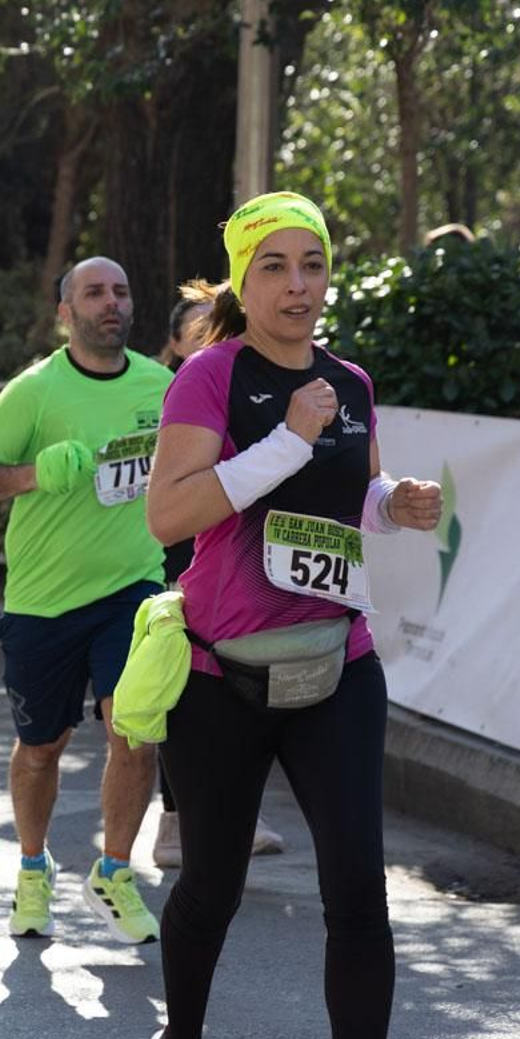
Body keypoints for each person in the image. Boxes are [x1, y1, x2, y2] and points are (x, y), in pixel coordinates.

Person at [143, 192, 442, 1039]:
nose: (298, 284)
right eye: (273, 266)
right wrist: (285, 442)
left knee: (357, 891)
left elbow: (350, 500)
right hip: (219, 673)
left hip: (336, 661)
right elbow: (168, 517)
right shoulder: (211, 376)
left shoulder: (349, 383)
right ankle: (184, 1034)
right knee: (212, 884)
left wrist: (395, 503)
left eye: (312, 264)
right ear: (244, 279)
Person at [0, 257, 170, 945]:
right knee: (41, 746)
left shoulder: (162, 386)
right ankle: (31, 865)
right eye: (95, 292)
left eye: (122, 290)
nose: (112, 302)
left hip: (132, 589)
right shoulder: (34, 391)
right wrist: (33, 473)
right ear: (64, 314)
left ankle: (113, 869)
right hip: (44, 601)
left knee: (133, 726)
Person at [151, 282, 287, 870]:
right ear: (177, 344)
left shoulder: (259, 384)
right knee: (185, 689)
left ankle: (231, 813)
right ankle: (174, 822)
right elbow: (169, 505)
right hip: (185, 553)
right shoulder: (182, 389)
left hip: (249, 565)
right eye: (198, 328)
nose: (213, 333)